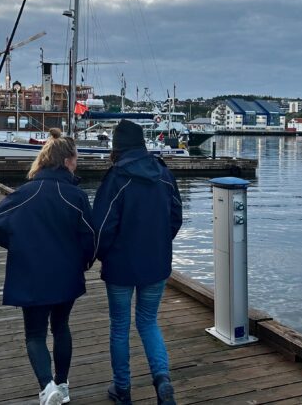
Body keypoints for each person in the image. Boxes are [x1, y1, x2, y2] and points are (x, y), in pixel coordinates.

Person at [0, 128, 95, 405]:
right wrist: (84, 261)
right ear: (67, 160)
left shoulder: (26, 193)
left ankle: (47, 386)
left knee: (35, 333)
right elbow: (91, 237)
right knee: (61, 326)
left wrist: (20, 246)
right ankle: (63, 383)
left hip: (32, 272)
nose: (78, 162)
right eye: (76, 158)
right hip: (67, 273)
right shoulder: (76, 196)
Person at [94, 120, 183, 405]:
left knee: (120, 326)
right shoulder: (164, 174)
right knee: (148, 322)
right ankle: (162, 379)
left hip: (121, 265)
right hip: (156, 264)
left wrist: (100, 254)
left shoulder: (116, 178)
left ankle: (122, 389)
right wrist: (160, 243)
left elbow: (102, 226)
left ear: (117, 147)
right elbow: (175, 217)